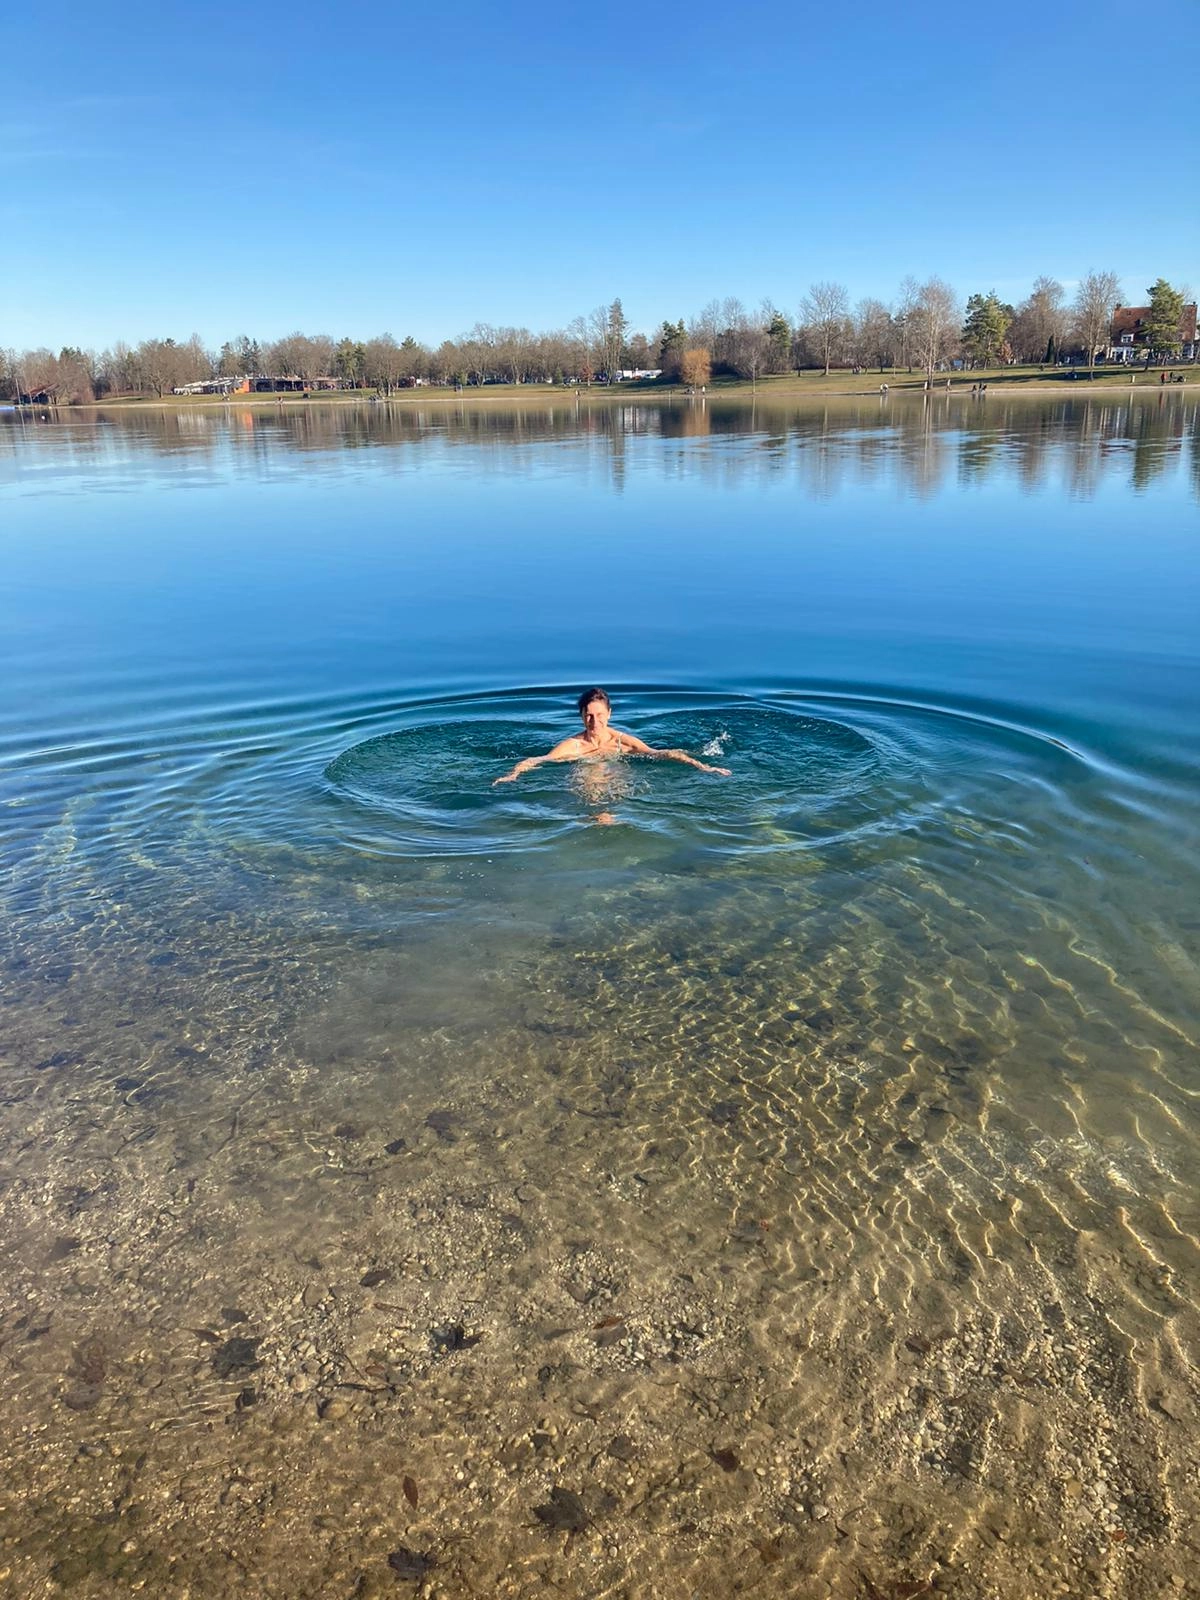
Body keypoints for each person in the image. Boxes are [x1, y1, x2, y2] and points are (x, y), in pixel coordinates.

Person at [493, 687, 731, 785]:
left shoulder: (622, 741)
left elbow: (660, 753)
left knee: (614, 780)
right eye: (588, 715)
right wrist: (513, 774)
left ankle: (605, 818)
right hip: (585, 775)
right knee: (592, 777)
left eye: (598, 715)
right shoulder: (573, 746)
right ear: (581, 716)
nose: (594, 721)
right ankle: (600, 817)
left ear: (609, 714)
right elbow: (538, 760)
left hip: (617, 774)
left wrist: (703, 767)